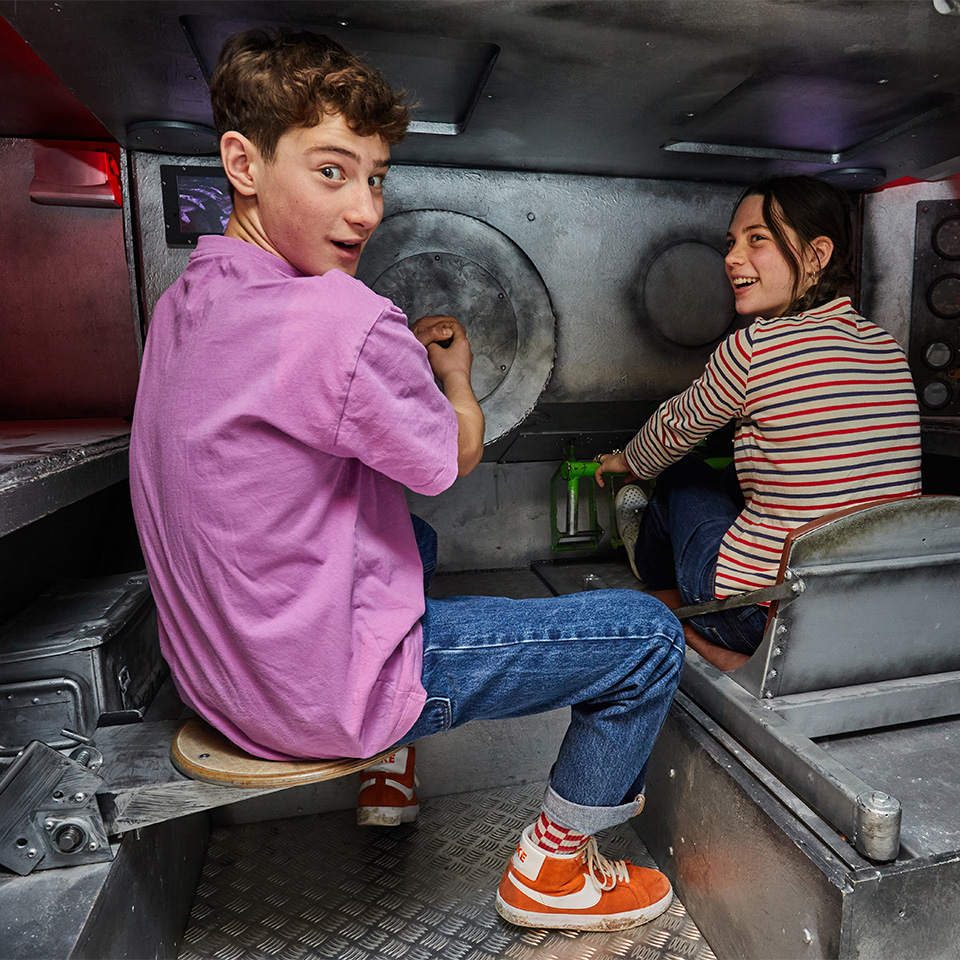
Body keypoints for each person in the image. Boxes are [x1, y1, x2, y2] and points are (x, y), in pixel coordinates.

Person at [129, 28, 684, 932]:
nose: (364, 211)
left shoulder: (185, 301)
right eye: (331, 171)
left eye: (377, 177)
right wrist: (456, 380)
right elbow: (449, 459)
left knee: (408, 541)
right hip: (320, 694)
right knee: (646, 636)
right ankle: (556, 866)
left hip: (219, 682)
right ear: (242, 160)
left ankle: (391, 774)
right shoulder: (339, 316)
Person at [595, 175, 922, 672]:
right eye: (731, 243)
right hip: (875, 617)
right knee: (742, 478)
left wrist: (626, 461)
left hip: (762, 617)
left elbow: (673, 430)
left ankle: (672, 610)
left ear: (817, 255)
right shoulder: (886, 347)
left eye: (757, 239)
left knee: (682, 475)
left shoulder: (755, 349)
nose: (731, 257)